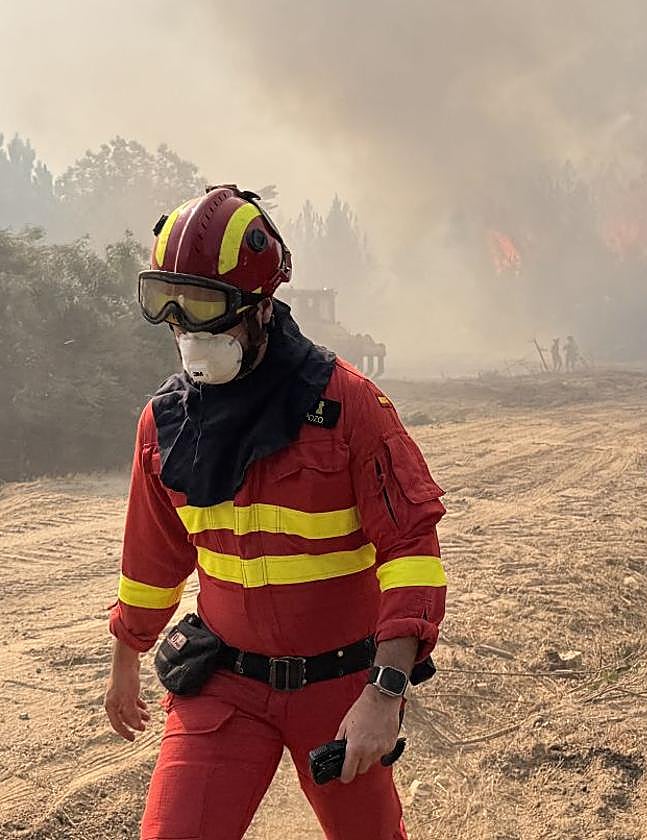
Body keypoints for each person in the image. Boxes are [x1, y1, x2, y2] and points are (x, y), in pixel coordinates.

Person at [103, 185, 447, 840]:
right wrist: (125, 659)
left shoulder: (349, 407)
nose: (187, 329)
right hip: (223, 686)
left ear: (261, 306)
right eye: (170, 306)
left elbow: (410, 550)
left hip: (342, 688)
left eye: (206, 307)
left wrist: (383, 693)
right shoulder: (165, 426)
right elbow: (152, 561)